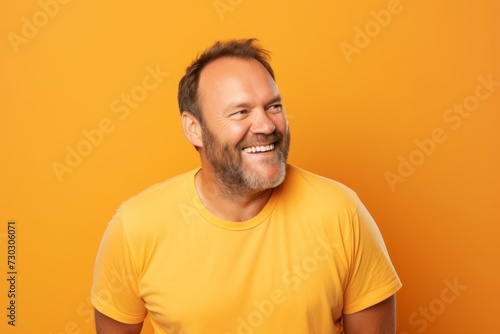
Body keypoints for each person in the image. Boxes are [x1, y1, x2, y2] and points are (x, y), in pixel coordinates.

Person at [91, 38, 402, 334]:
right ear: (194, 129)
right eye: (241, 112)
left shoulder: (341, 212)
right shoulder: (136, 226)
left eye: (274, 106)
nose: (266, 125)